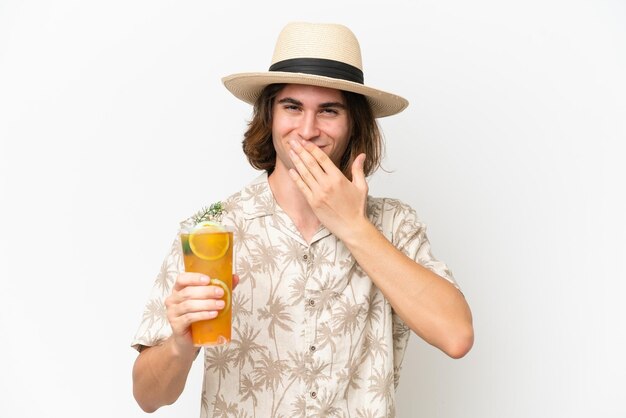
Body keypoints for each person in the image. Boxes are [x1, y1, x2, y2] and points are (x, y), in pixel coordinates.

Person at [131, 22, 473, 418]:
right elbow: (148, 397)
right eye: (292, 107)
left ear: (352, 124)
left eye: (328, 111)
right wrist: (179, 344)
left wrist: (353, 227)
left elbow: (456, 335)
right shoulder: (213, 228)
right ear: (269, 115)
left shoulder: (394, 224)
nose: (307, 130)